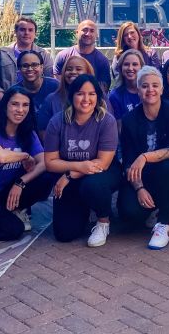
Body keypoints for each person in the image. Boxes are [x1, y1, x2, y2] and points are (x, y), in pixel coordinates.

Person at [0, 87, 55, 240]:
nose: (20, 110)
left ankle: (15, 209)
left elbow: (44, 162)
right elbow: (0, 157)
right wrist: (25, 156)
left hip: (7, 191)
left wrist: (20, 183)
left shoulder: (28, 134)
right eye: (15, 104)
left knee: (46, 176)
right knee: (15, 230)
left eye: (25, 105)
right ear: (5, 106)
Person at [44, 74, 120, 246]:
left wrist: (70, 174)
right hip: (73, 174)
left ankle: (103, 221)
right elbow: (50, 162)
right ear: (71, 96)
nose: (86, 99)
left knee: (92, 185)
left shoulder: (106, 121)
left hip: (102, 174)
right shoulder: (57, 122)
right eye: (80, 93)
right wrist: (78, 167)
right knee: (64, 233)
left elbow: (103, 162)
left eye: (92, 94)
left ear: (98, 97)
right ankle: (85, 207)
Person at [119, 67, 169, 249]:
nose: (150, 90)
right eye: (145, 86)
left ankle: (165, 223)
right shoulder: (129, 120)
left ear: (162, 89)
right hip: (144, 178)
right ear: (138, 89)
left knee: (167, 167)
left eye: (155, 85)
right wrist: (139, 188)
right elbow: (127, 161)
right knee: (128, 213)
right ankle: (154, 208)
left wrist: (144, 157)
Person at [0, 16, 54, 105]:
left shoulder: (44, 54)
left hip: (38, 102)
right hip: (4, 100)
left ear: (35, 33)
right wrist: (6, 101)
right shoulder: (1, 53)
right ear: (15, 32)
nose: (26, 33)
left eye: (30, 30)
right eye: (22, 30)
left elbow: (49, 80)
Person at [37, 55, 94, 135]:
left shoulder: (100, 98)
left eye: (78, 69)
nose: (73, 72)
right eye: (69, 69)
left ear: (87, 73)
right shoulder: (51, 100)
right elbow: (43, 132)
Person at [53, 19, 112, 90]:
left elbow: (102, 90)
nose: (88, 34)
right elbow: (58, 85)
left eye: (92, 31)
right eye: (85, 30)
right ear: (77, 32)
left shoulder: (102, 61)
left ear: (96, 35)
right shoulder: (63, 56)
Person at [12, 50, 60, 115]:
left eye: (34, 65)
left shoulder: (55, 86)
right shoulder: (14, 92)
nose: (30, 69)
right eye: (25, 66)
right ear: (19, 69)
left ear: (41, 67)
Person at [108, 49, 145, 120]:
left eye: (135, 64)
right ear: (121, 68)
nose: (130, 68)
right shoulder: (115, 96)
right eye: (126, 64)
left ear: (141, 68)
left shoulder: (149, 91)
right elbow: (119, 127)